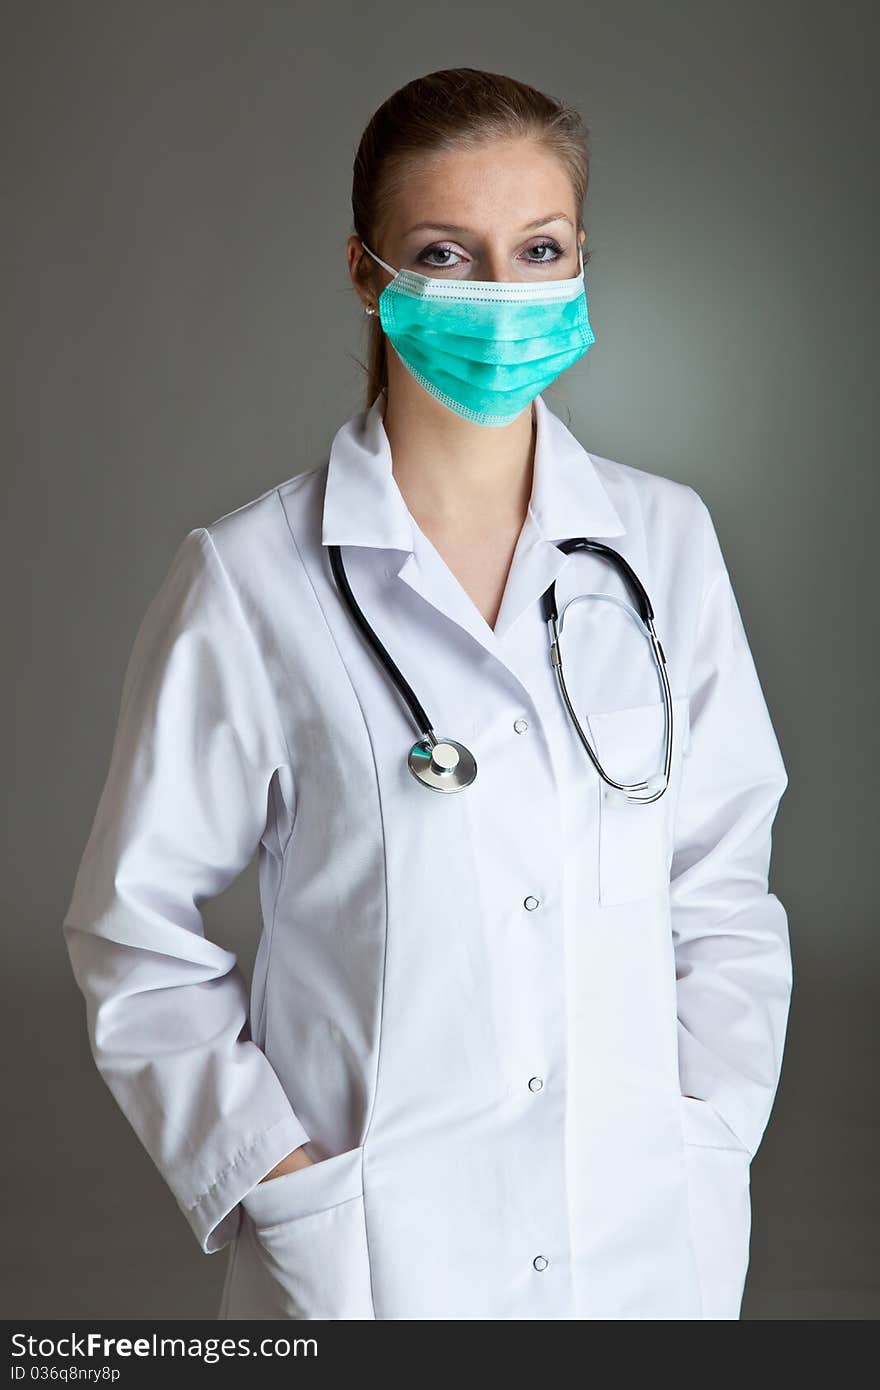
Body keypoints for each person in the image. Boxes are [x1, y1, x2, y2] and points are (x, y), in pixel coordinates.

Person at [61, 67, 792, 1321]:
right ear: (367, 275)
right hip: (377, 1259)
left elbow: (721, 884)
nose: (500, 296)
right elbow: (137, 940)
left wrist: (706, 1124)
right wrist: (276, 1177)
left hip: (638, 1240)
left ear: (580, 263)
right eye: (446, 254)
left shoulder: (662, 545)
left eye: (539, 249)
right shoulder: (250, 579)